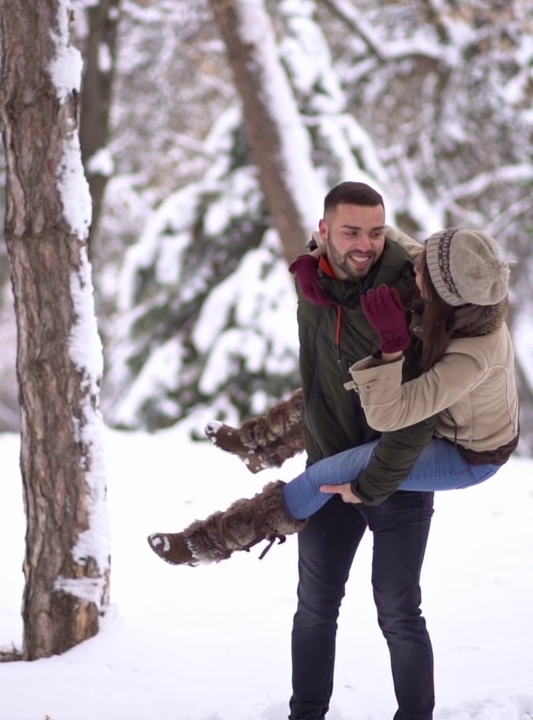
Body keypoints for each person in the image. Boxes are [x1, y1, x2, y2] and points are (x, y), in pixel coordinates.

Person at [149, 181, 441, 720]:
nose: (365, 244)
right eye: (351, 231)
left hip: (398, 476)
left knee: (399, 611)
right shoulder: (317, 284)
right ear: (324, 231)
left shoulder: (408, 291)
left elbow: (424, 404)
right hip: (327, 471)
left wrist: (373, 481)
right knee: (314, 610)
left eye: (376, 232)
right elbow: (322, 385)